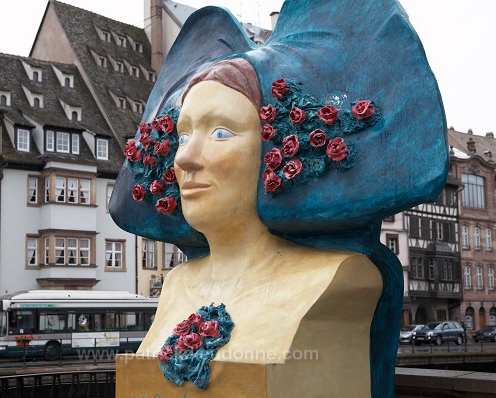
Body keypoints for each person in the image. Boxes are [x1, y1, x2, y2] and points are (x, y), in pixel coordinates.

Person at [110, 1, 448, 396]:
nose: (184, 157)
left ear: (275, 150)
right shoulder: (176, 284)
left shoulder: (338, 275)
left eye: (221, 133)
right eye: (183, 136)